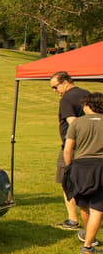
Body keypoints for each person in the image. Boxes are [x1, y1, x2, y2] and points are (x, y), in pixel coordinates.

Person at [62, 92, 103, 254]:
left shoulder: (77, 123)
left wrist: (69, 168)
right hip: (100, 167)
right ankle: (88, 245)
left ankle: (89, 239)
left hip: (80, 167)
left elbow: (68, 150)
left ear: (89, 105)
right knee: (98, 207)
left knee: (84, 205)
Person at [50, 71, 91, 232]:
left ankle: (73, 220)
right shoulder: (87, 94)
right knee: (88, 183)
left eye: (55, 87)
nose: (55, 91)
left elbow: (72, 122)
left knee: (66, 181)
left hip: (72, 147)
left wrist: (74, 142)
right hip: (89, 147)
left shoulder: (66, 99)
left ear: (65, 82)